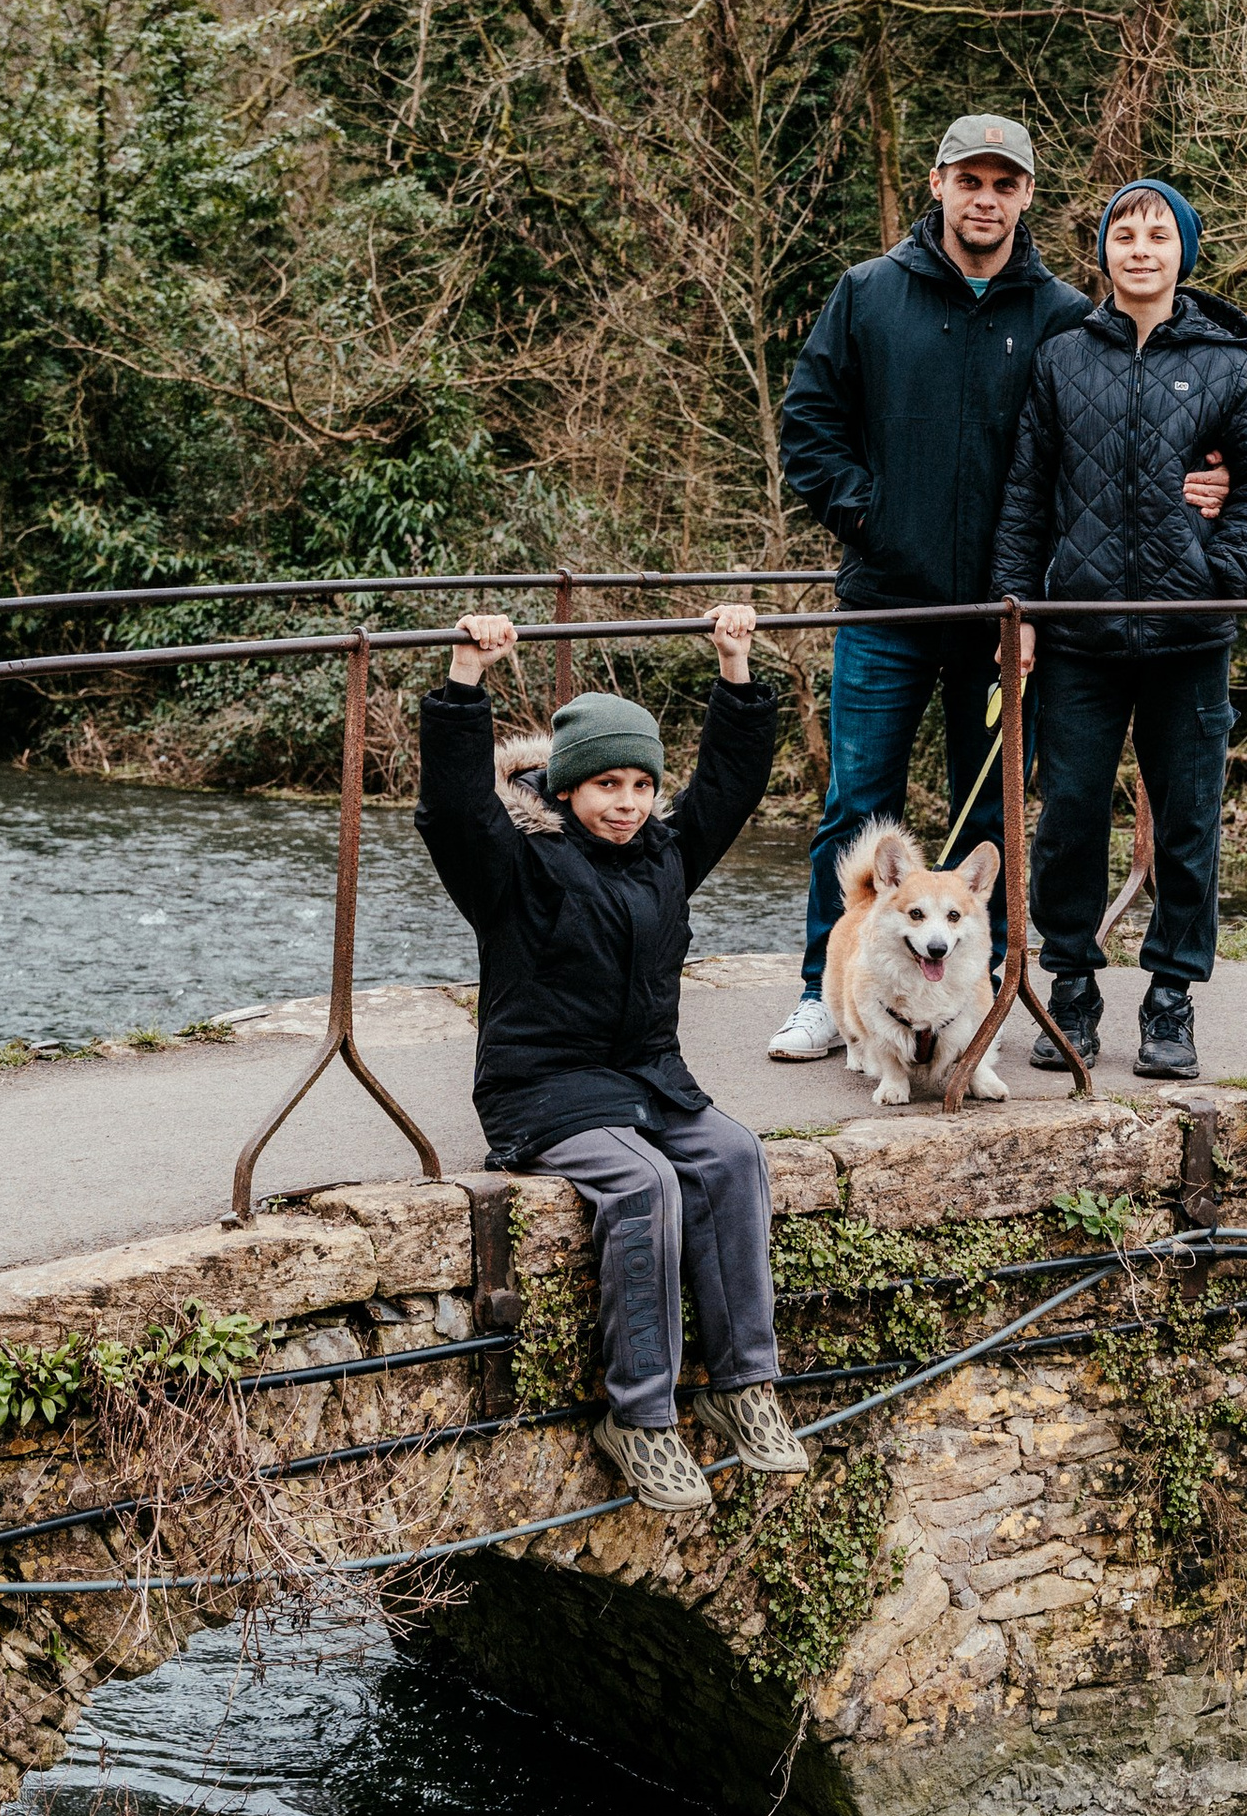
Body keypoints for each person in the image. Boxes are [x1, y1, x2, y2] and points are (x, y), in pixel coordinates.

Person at [415, 601, 807, 1520]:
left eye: (640, 784)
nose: (626, 804)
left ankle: (744, 1382)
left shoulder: (666, 850)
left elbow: (732, 785)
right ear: (565, 789)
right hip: (542, 1089)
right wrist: (465, 676)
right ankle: (638, 1415)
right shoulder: (514, 866)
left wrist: (735, 664)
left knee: (734, 1157)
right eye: (606, 787)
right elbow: (453, 806)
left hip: (649, 1080)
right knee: (645, 1187)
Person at [764, 114, 1089, 1060]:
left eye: (1004, 184)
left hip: (1003, 616)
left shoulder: (1061, 314)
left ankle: (975, 1005)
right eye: (969, 180)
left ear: (1026, 196)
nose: (985, 199)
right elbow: (808, 427)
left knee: (991, 817)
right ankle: (824, 997)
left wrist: (1214, 473)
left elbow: (1097, 445)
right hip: (887, 606)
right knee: (857, 805)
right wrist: (872, 516)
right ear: (937, 184)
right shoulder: (867, 295)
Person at [989, 177, 1247, 1079]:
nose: (1140, 248)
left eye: (1158, 234)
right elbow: (1024, 500)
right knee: (1069, 818)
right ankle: (1069, 995)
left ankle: (1170, 1003)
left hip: (1187, 642)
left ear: (1182, 254)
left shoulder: (1230, 365)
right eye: (1125, 233)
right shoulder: (1062, 358)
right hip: (1077, 637)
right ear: (1107, 254)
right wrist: (1021, 615)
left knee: (1190, 823)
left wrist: (1218, 580)